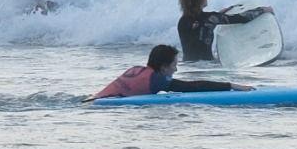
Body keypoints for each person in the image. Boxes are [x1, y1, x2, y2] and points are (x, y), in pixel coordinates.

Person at [88, 44, 253, 100]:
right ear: (163, 67)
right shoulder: (156, 79)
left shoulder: (137, 69)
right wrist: (232, 85)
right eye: (174, 64)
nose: (176, 68)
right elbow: (193, 86)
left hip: (93, 100)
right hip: (104, 105)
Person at [177, 0, 273, 62]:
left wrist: (219, 15)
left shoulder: (182, 21)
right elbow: (241, 18)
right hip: (205, 67)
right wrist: (263, 10)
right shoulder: (209, 19)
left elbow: (199, 28)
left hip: (189, 65)